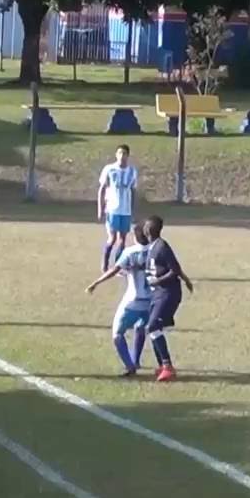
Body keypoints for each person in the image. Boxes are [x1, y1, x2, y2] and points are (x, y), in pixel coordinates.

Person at [85, 225, 152, 377]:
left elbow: (114, 270)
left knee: (117, 334)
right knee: (141, 326)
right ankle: (136, 359)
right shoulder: (156, 250)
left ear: (135, 237)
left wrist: (95, 283)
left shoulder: (130, 252)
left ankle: (130, 366)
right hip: (151, 301)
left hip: (133, 301)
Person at [143, 215, 194, 383]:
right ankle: (162, 366)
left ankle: (167, 366)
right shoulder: (153, 246)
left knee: (153, 326)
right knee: (151, 328)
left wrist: (159, 281)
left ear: (149, 230)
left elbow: (175, 269)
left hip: (168, 293)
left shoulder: (162, 247)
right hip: (158, 293)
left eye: (145, 226)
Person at [97, 144, 138, 272]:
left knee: (122, 239)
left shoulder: (132, 171)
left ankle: (117, 267)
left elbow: (133, 191)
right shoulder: (109, 169)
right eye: (119, 153)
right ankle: (105, 264)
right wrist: (100, 208)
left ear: (128, 156)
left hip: (125, 210)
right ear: (116, 155)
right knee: (112, 238)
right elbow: (102, 189)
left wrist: (133, 209)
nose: (122, 156)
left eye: (124, 153)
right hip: (112, 209)